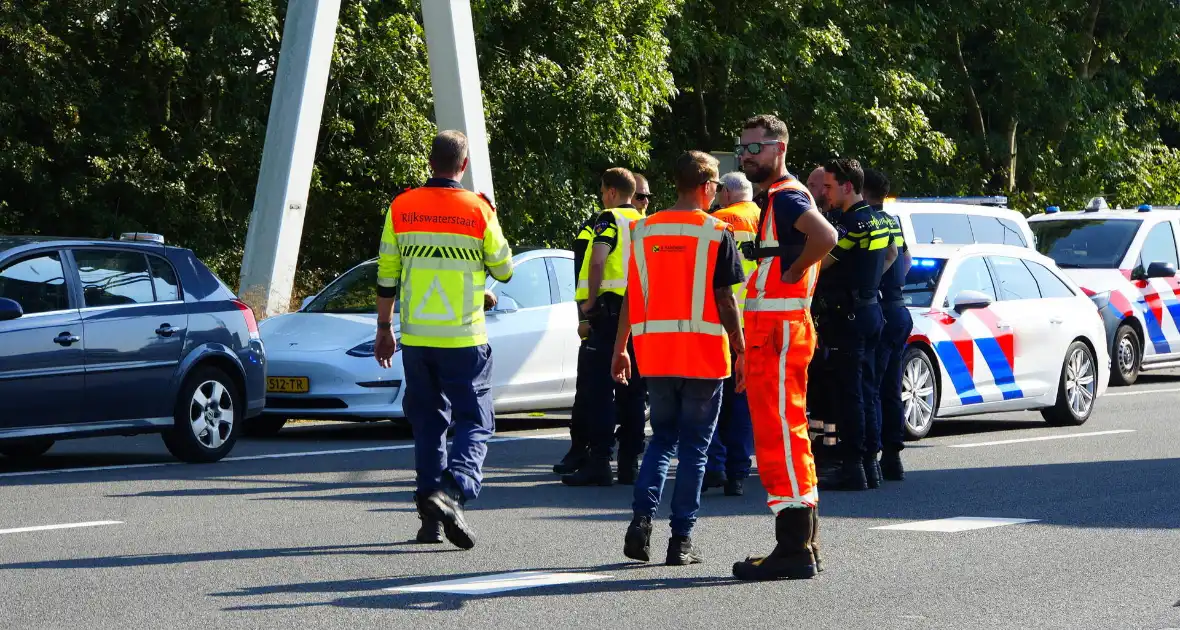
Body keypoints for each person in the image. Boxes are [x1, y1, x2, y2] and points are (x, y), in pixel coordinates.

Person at [374, 130, 514, 550]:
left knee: (429, 428)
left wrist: (384, 329)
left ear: (430, 160)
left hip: (417, 340)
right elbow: (504, 268)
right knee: (476, 420)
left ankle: (429, 524)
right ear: (464, 166)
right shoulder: (477, 209)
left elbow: (386, 274)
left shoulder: (402, 207)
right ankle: (452, 491)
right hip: (465, 339)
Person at [610, 151, 746, 566]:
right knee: (695, 450)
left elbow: (633, 296)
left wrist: (620, 348)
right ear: (707, 187)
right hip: (703, 357)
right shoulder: (716, 231)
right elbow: (725, 299)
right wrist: (741, 349)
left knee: (661, 441)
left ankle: (640, 522)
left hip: (655, 354)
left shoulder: (644, 230)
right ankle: (680, 540)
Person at [730, 114, 838, 581]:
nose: (747, 156)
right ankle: (804, 544)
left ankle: (793, 548)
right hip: (779, 329)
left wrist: (794, 275)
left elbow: (826, 238)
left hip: (777, 331)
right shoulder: (779, 198)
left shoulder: (787, 194)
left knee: (780, 437)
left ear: (780, 149)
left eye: (756, 148)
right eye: (742, 149)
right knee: (789, 432)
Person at [562, 168, 648, 486]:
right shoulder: (644, 222)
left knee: (600, 390)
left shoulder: (609, 218)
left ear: (611, 192)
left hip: (610, 313)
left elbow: (598, 259)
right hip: (640, 315)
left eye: (602, 191)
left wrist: (589, 302)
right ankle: (629, 464)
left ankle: (599, 461)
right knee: (634, 392)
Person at [813, 158, 894, 491]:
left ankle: (852, 467)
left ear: (848, 187)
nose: (827, 194)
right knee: (869, 390)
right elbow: (891, 257)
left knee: (851, 394)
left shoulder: (848, 225)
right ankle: (870, 466)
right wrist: (868, 283)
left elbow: (820, 264)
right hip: (873, 309)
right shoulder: (882, 220)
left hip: (849, 316)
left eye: (830, 187)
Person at [702, 171, 760, 497]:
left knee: (715, 397)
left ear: (724, 193)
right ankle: (739, 472)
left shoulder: (717, 222)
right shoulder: (766, 220)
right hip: (759, 320)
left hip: (721, 319)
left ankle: (715, 466)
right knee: (743, 399)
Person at [863, 168, 912, 481]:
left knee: (872, 386)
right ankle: (893, 457)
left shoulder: (868, 221)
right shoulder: (892, 222)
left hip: (879, 308)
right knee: (891, 386)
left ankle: (874, 455)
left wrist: (873, 284)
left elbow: (891, 258)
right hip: (899, 308)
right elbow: (905, 261)